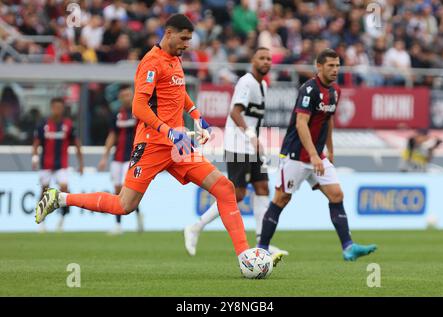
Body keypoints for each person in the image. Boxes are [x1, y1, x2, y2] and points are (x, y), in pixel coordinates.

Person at [35, 14, 277, 270]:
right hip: (152, 145)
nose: (187, 44)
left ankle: (244, 258)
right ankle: (59, 198)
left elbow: (178, 91)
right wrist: (168, 130)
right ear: (169, 33)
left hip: (179, 147)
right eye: (183, 38)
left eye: (189, 39)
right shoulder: (151, 62)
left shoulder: (175, 60)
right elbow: (139, 107)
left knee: (225, 188)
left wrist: (197, 116)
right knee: (124, 205)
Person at [257, 49, 377, 261]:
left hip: (317, 156)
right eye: (330, 65)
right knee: (281, 199)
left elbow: (328, 119)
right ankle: (262, 248)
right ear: (319, 67)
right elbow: (301, 123)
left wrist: (330, 149)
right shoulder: (309, 89)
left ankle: (348, 246)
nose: (335, 69)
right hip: (296, 154)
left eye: (338, 65)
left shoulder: (335, 91)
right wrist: (313, 154)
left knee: (337, 194)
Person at [184, 47, 288, 256]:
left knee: (262, 187)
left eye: (269, 58)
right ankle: (196, 226)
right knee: (237, 193)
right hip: (238, 144)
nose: (266, 61)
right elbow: (235, 112)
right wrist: (251, 136)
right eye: (262, 58)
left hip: (252, 145)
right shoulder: (246, 82)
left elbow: (253, 117)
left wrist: (257, 140)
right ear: (253, 60)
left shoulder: (263, 86)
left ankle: (262, 245)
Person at [32, 97, 84, 232]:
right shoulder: (44, 124)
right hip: (46, 165)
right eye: (55, 107)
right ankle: (41, 222)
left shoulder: (68, 125)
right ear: (51, 108)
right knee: (44, 192)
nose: (57, 110)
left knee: (64, 190)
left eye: (60, 108)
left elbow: (77, 144)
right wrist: (34, 157)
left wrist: (81, 163)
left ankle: (62, 220)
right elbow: (36, 143)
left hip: (61, 165)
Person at [98, 85, 144, 234]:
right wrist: (105, 156)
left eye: (129, 95)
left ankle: (136, 217)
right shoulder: (116, 115)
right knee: (117, 191)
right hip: (117, 157)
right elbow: (112, 136)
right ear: (120, 98)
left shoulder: (139, 113)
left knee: (127, 190)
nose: (127, 98)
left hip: (133, 158)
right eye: (124, 95)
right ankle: (119, 224)